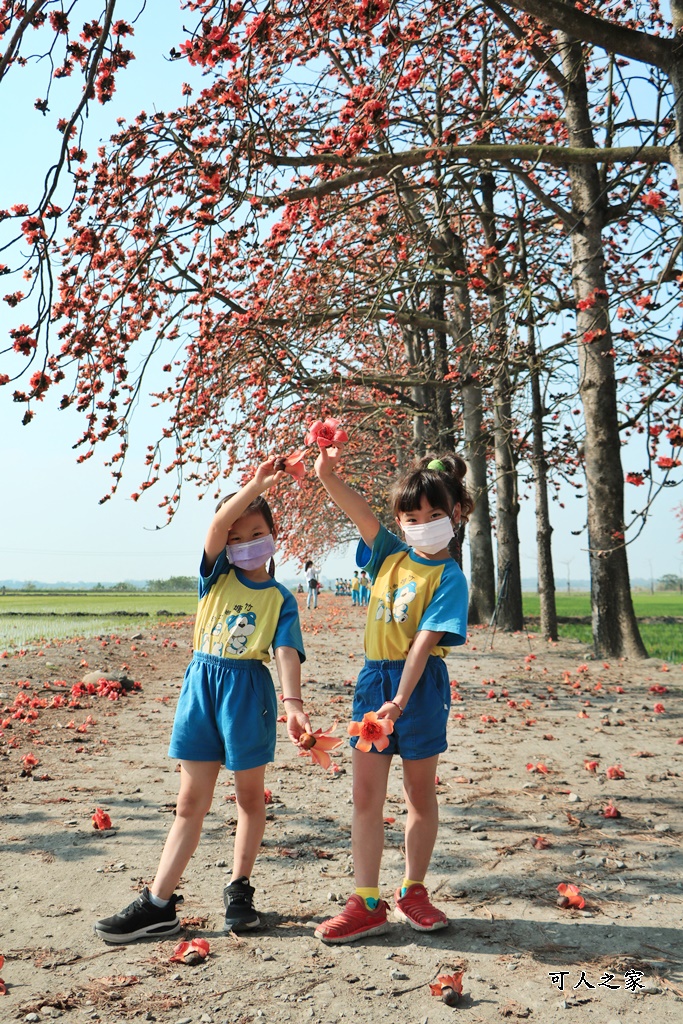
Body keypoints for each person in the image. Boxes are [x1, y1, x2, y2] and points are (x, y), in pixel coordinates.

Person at [94, 457, 308, 943]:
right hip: (201, 688)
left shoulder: (281, 597)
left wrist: (293, 703)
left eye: (253, 532)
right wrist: (255, 482)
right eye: (234, 537)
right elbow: (215, 525)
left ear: (273, 534)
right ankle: (158, 903)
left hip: (247, 692)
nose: (242, 543)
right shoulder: (215, 577)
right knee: (190, 802)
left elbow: (285, 650)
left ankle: (239, 889)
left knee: (250, 798)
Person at [313, 449, 472, 944]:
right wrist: (326, 475)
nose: (423, 525)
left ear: (457, 515)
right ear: (400, 522)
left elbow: (424, 643)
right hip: (373, 683)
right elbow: (359, 512)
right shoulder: (389, 555)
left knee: (418, 796)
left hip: (419, 689)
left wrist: (400, 702)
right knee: (366, 797)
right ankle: (366, 901)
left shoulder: (450, 578)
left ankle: (413, 891)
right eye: (412, 517)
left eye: (435, 515)